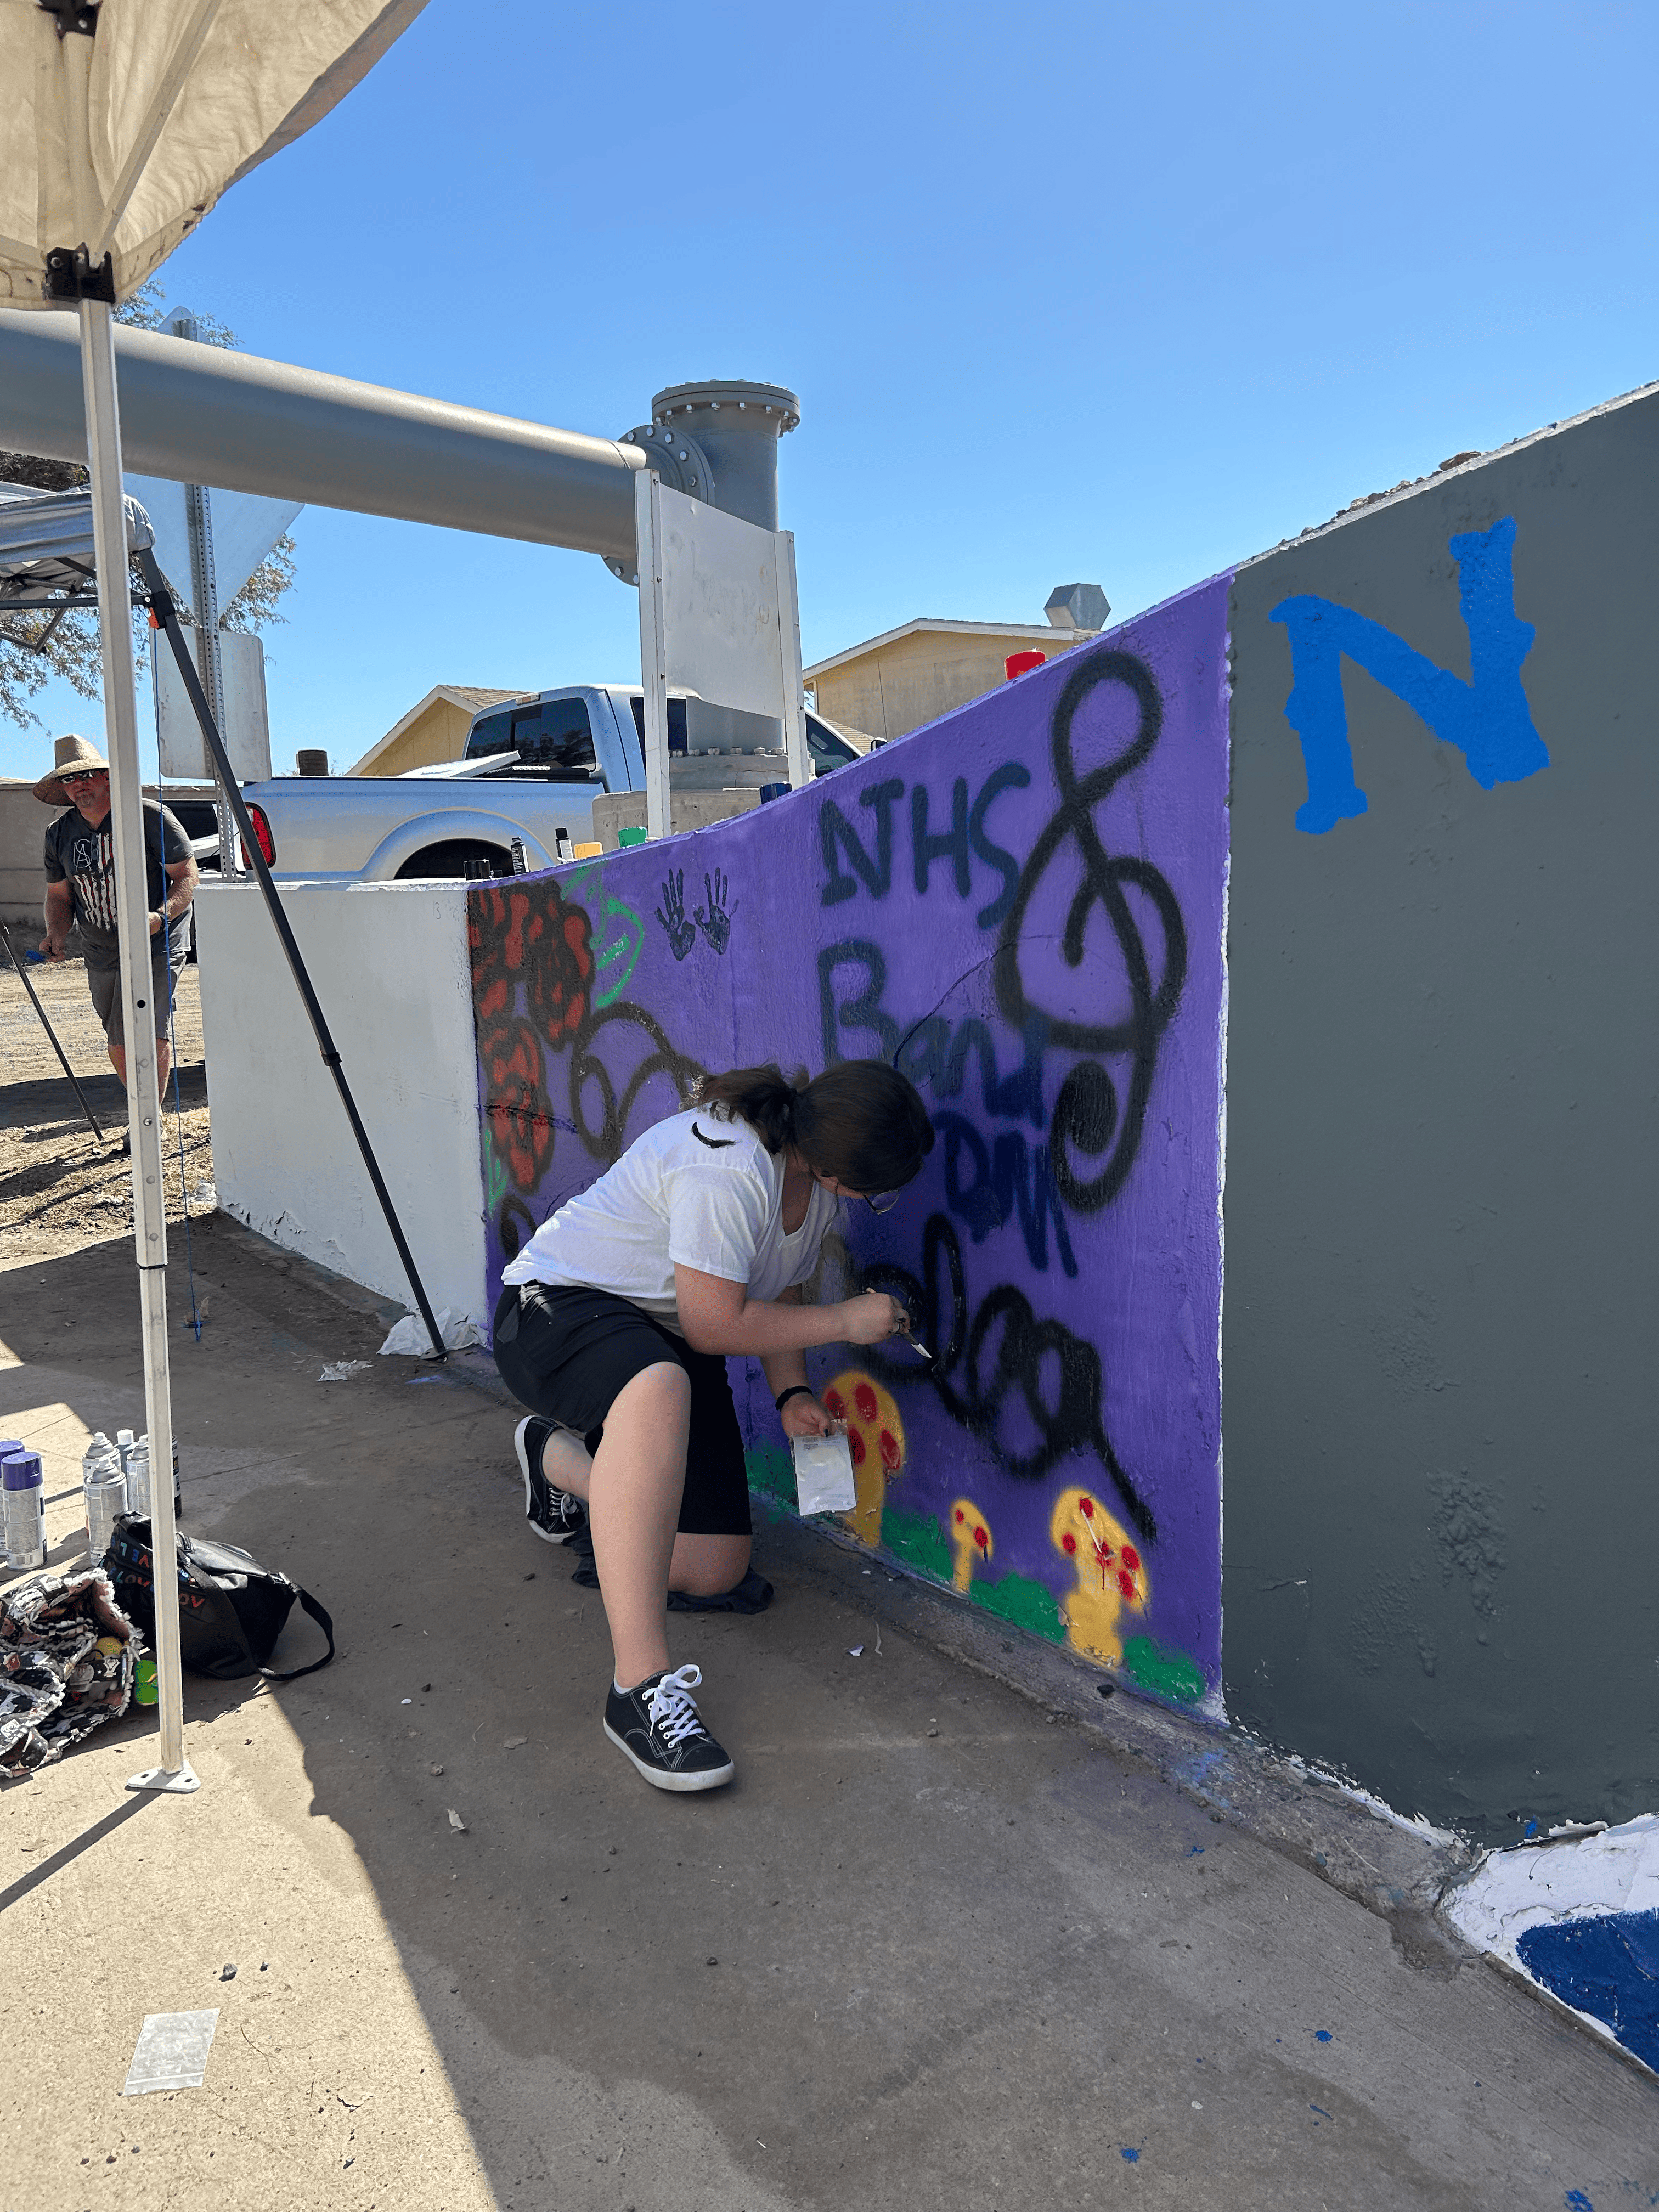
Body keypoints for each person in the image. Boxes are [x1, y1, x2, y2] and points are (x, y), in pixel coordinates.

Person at [492, 1058, 934, 1795]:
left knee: (713, 1567)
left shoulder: (812, 1184)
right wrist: (848, 1319)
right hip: (555, 1311)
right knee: (661, 1382)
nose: (872, 1202)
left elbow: (779, 1285)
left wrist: (792, 1388)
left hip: (657, 1333)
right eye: (876, 1191)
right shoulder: (725, 1168)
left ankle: (557, 1464)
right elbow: (712, 1322)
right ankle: (638, 1689)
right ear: (833, 1168)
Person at [36, 733, 199, 1094]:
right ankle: (142, 1109)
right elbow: (59, 896)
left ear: (107, 776)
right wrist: (56, 935)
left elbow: (187, 877)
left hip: (156, 938)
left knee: (143, 1028)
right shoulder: (58, 835)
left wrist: (159, 918)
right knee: (117, 1038)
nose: (78, 785)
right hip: (100, 946)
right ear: (63, 788)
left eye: (86, 775)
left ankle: (150, 1119)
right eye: (69, 779)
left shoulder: (148, 816)